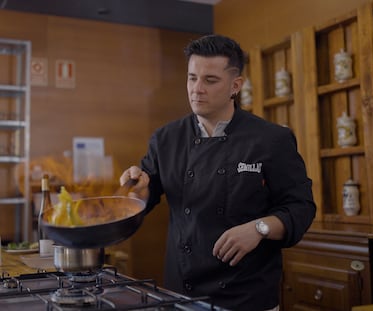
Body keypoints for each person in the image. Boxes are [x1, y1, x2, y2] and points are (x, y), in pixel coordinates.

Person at [120, 34, 316, 311]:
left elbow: (301, 207)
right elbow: (145, 193)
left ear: (236, 85)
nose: (196, 89)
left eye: (210, 80)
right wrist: (138, 190)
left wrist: (259, 229)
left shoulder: (271, 139)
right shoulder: (165, 139)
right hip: (181, 294)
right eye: (191, 78)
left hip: (247, 295)